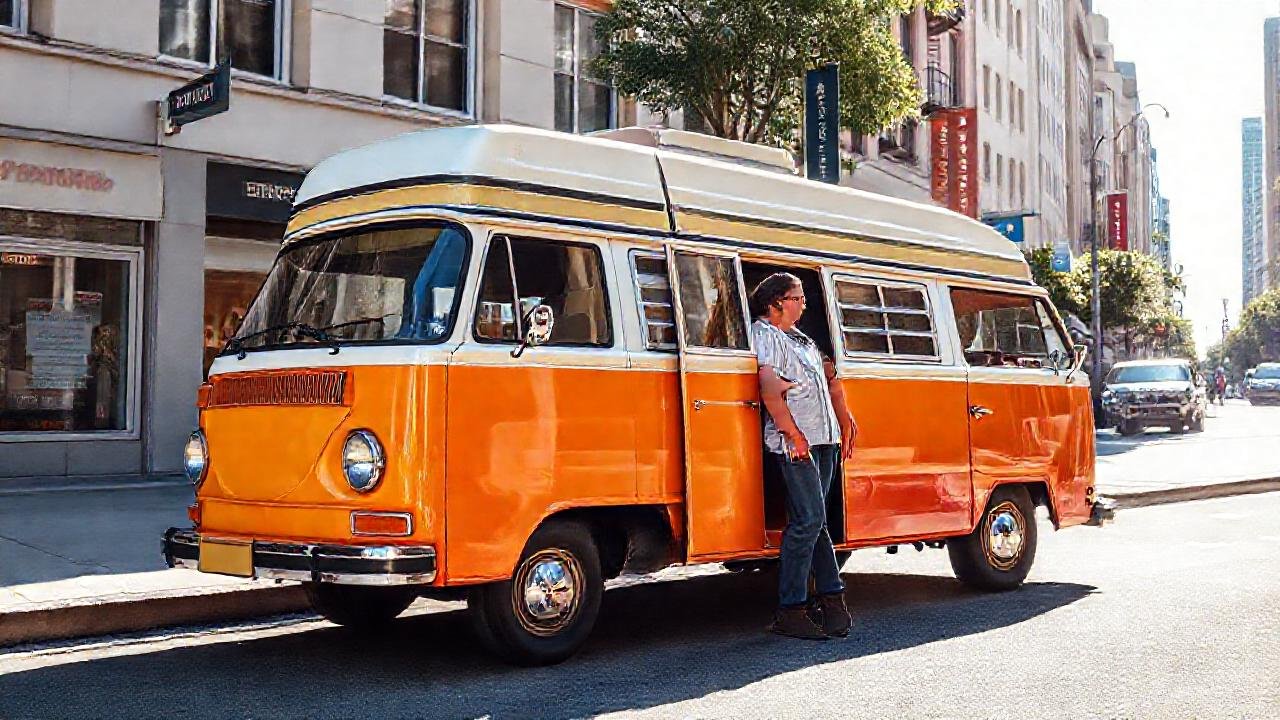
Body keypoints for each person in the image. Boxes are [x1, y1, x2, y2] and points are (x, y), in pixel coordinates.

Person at [750, 272, 857, 641]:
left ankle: (833, 604)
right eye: (797, 298)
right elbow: (768, 387)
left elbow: (827, 379)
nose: (803, 303)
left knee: (816, 520)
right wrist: (792, 434)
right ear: (775, 302)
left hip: (821, 438)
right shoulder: (764, 335)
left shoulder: (801, 338)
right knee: (808, 520)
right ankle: (791, 608)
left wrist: (841, 420)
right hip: (797, 441)